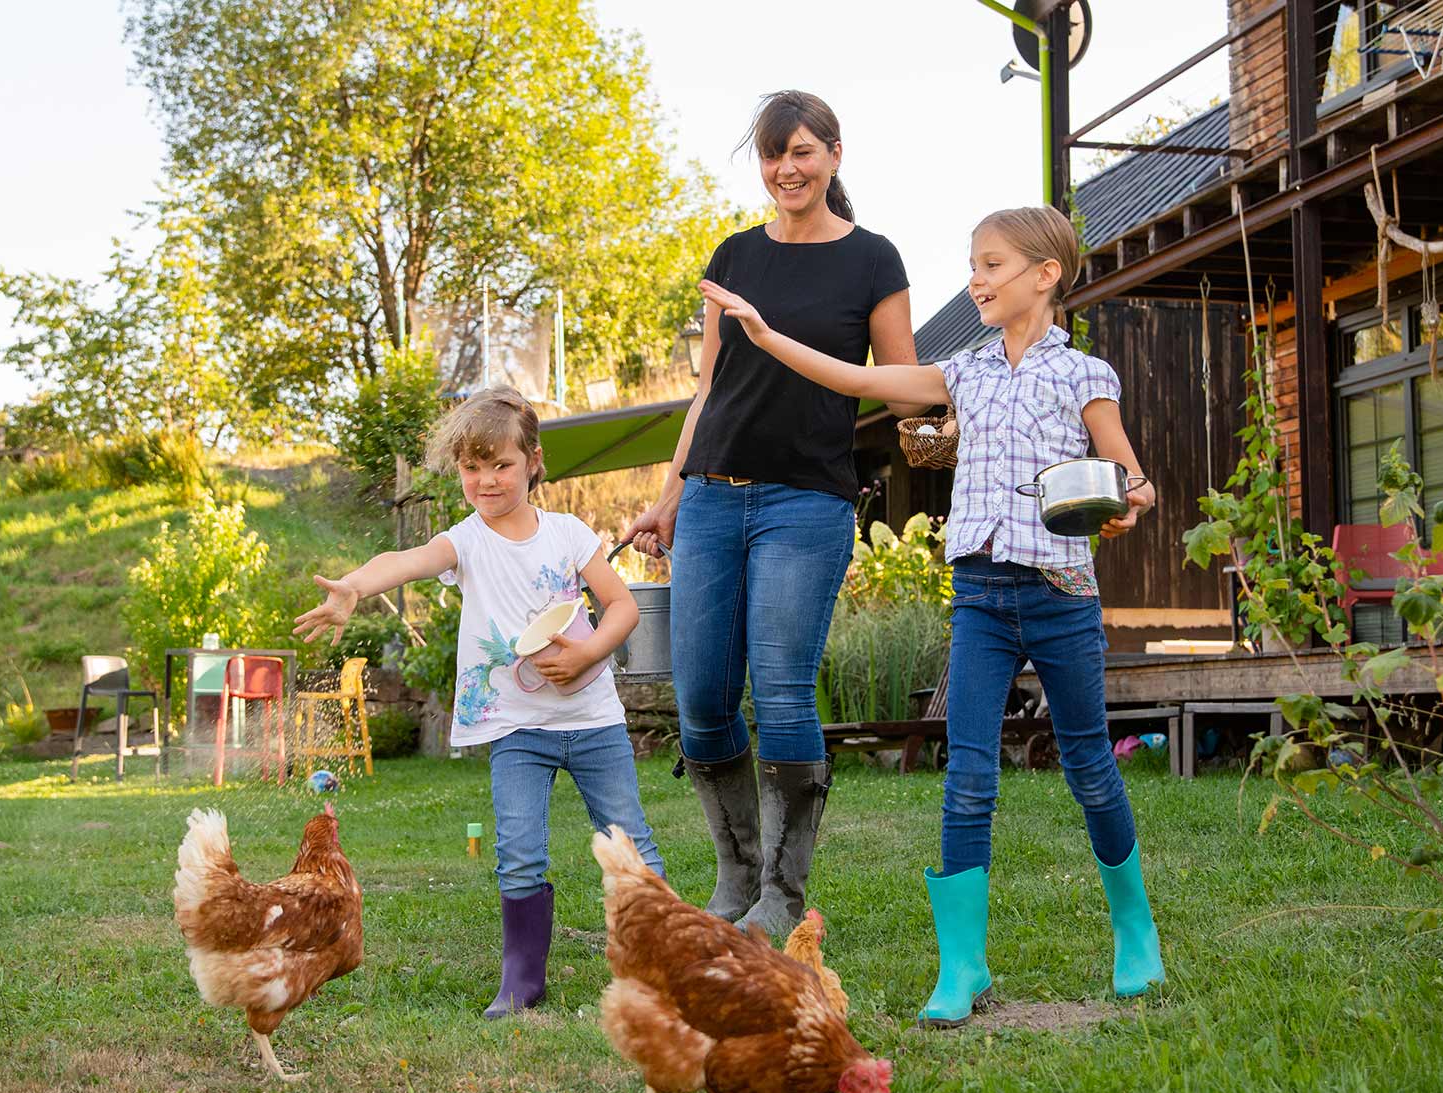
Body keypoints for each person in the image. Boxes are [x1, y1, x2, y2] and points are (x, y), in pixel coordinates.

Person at [697, 204, 1165, 1025]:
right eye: (973, 265)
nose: (975, 279)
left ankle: (1135, 934)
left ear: (1044, 275)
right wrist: (767, 339)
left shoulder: (1083, 374)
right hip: (981, 597)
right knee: (968, 778)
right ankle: (963, 968)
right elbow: (861, 380)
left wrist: (1129, 501)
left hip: (1060, 595)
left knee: (1090, 766)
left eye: (990, 265)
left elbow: (1132, 475)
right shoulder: (966, 374)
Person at [622, 90, 915, 940]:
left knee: (782, 690)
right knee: (704, 696)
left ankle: (782, 894)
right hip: (713, 496)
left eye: (803, 151)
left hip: (807, 501)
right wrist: (673, 491)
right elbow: (710, 388)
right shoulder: (735, 255)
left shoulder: (872, 260)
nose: (787, 168)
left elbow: (903, 384)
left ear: (834, 154)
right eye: (772, 154)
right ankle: (737, 875)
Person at [295, 386, 665, 1019]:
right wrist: (353, 587)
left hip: (594, 720)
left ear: (532, 462)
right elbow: (405, 559)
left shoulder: (568, 534)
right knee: (519, 848)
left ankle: (664, 964)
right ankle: (522, 980)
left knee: (631, 842)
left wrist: (587, 652)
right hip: (518, 729)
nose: (486, 480)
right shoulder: (466, 541)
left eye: (501, 465)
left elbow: (624, 606)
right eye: (472, 467)